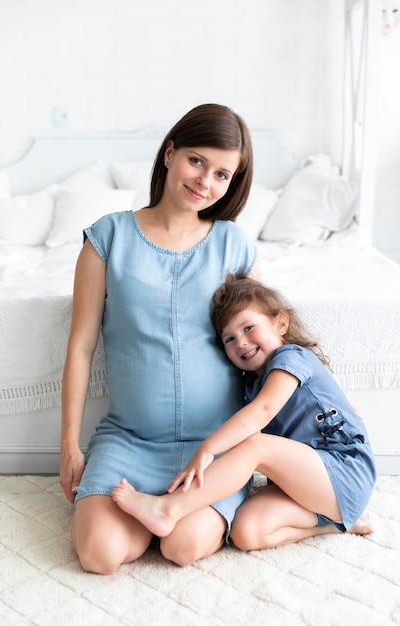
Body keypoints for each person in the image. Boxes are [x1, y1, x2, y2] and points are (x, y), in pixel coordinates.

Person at [59, 104, 258, 574]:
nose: (205, 182)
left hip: (212, 448)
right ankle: (143, 513)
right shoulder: (107, 237)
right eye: (196, 161)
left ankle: (167, 514)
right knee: (98, 554)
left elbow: (256, 348)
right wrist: (69, 444)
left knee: (182, 546)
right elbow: (81, 345)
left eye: (222, 175)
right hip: (129, 439)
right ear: (170, 153)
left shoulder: (234, 245)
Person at [112, 273, 376, 549]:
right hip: (315, 490)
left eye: (248, 328)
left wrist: (208, 449)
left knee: (256, 445)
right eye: (229, 339)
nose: (241, 342)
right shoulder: (251, 384)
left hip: (345, 472)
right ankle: (333, 526)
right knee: (245, 532)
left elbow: (262, 412)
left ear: (281, 323)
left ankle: (168, 510)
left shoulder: (291, 357)